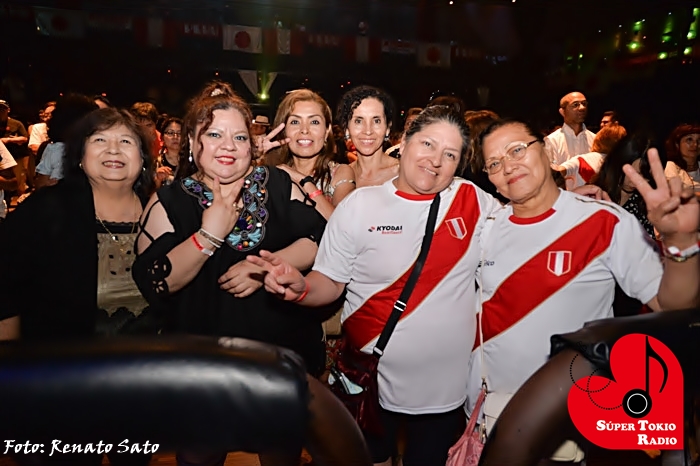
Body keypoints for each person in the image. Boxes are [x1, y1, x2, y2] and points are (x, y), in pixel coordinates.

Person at [249, 105, 504, 466]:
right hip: (369, 381)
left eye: (450, 154)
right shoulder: (360, 206)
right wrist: (301, 288)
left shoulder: (473, 200)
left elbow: (524, 231)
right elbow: (330, 281)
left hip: (444, 391)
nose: (436, 160)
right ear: (405, 142)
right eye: (428, 144)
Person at [467, 119, 699, 458]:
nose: (508, 166)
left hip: (571, 416)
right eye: (494, 163)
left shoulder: (604, 222)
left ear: (545, 151)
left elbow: (672, 306)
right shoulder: (483, 228)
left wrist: (681, 244)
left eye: (517, 150)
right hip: (490, 412)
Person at [131, 81, 328, 466]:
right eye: (214, 135)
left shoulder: (276, 184)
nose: (228, 146)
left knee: (280, 451)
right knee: (201, 452)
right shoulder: (171, 199)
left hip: (277, 357)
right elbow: (156, 282)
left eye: (239, 137)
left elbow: (319, 237)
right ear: (192, 143)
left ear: (251, 146)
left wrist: (265, 265)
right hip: (203, 366)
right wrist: (208, 235)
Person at [0, 107, 157, 464]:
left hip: (141, 384)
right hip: (62, 383)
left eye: (126, 141)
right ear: (80, 157)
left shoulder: (161, 214)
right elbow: (5, 286)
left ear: (143, 158)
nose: (113, 149)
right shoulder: (47, 209)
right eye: (99, 139)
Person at [266, 89, 355, 220]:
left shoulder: (340, 172)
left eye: (314, 122)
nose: (304, 130)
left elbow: (340, 225)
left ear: (327, 131)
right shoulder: (273, 173)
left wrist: (303, 181)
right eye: (295, 122)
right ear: (284, 131)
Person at [336, 85, 399, 188]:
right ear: (347, 128)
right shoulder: (339, 178)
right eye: (358, 121)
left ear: (387, 128)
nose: (368, 131)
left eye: (376, 121)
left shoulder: (405, 173)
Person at [156, 116, 182, 187]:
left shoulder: (192, 162)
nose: (175, 137)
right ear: (162, 137)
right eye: (170, 133)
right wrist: (157, 179)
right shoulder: (156, 163)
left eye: (179, 133)